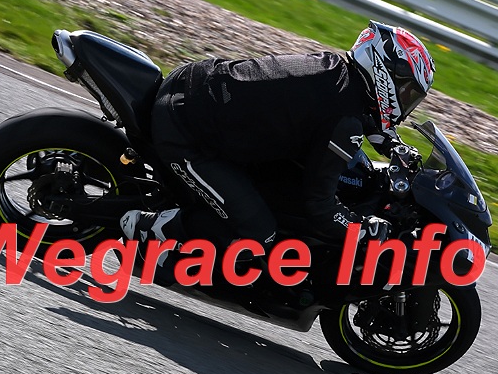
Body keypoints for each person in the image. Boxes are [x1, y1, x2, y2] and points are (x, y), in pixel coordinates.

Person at [120, 20, 435, 286]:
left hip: (197, 86)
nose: (407, 100)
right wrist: (361, 230)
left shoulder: (339, 72)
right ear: (383, 73)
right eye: (407, 90)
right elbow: (320, 205)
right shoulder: (344, 121)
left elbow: (360, 113)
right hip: (186, 133)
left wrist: (392, 145)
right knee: (259, 233)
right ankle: (149, 226)